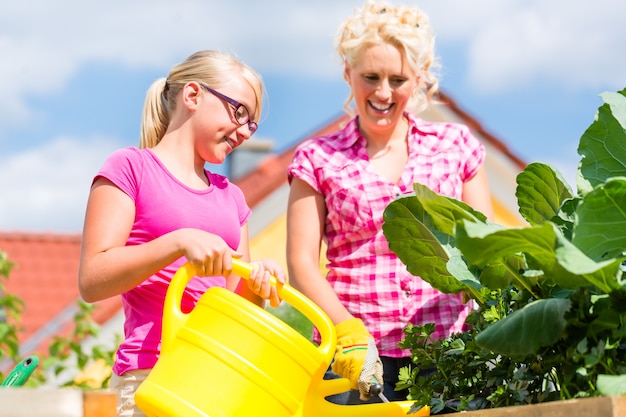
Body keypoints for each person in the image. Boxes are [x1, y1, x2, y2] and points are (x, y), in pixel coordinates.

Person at [286, 0, 494, 404]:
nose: (383, 92)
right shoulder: (317, 157)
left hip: (447, 353)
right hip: (353, 361)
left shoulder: (457, 146)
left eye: (397, 79)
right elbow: (300, 263)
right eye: (370, 76)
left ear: (418, 79)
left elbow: (483, 248)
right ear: (349, 74)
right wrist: (347, 331)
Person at [78, 50, 286, 417]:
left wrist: (258, 281)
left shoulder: (232, 198)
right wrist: (177, 242)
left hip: (217, 381)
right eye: (239, 113)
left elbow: (234, 308)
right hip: (151, 378)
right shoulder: (131, 169)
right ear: (193, 96)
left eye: (251, 124)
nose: (243, 131)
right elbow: (93, 279)